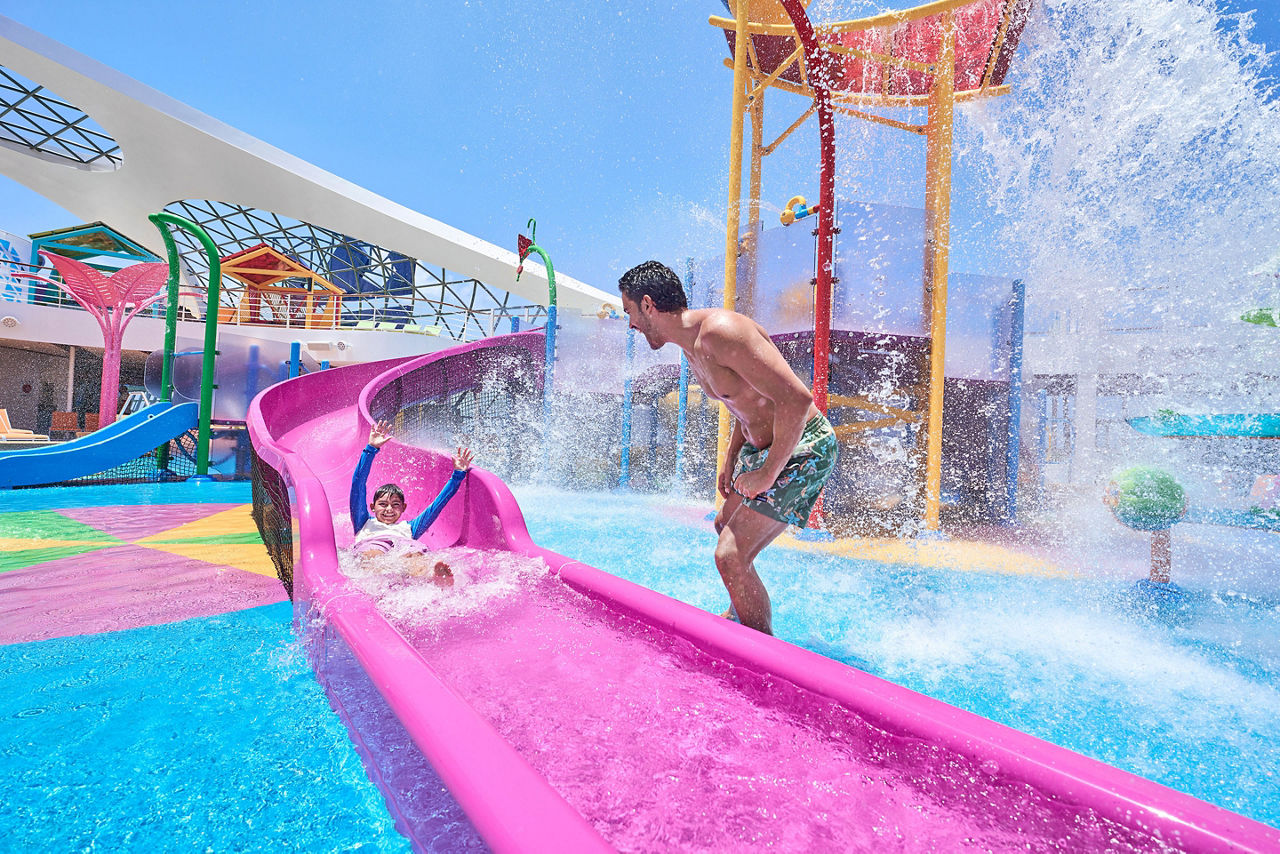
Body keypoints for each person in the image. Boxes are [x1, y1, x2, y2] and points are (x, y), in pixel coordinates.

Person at [618, 260, 838, 635]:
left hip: (803, 446)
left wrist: (768, 473)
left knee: (730, 557)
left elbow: (797, 401)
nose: (631, 324)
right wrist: (732, 457)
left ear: (649, 305)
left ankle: (763, 657)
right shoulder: (691, 346)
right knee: (724, 525)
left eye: (630, 312)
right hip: (760, 449)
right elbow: (744, 400)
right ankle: (743, 614)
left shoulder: (722, 333)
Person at [349, 419, 474, 586]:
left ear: (403, 508)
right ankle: (380, 582)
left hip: (404, 545)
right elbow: (358, 485)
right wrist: (371, 449)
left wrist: (457, 475)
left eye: (395, 505)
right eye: (383, 504)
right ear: (372, 507)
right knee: (373, 554)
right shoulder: (363, 522)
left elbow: (436, 507)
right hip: (374, 545)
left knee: (414, 556)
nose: (389, 509)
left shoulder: (410, 528)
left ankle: (434, 579)